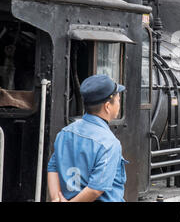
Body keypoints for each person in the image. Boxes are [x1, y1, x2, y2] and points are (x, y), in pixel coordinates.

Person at [47, 74, 128, 202]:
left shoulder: (65, 132)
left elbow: (52, 167)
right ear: (107, 106)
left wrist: (57, 198)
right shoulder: (109, 143)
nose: (119, 103)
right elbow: (96, 189)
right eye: (118, 99)